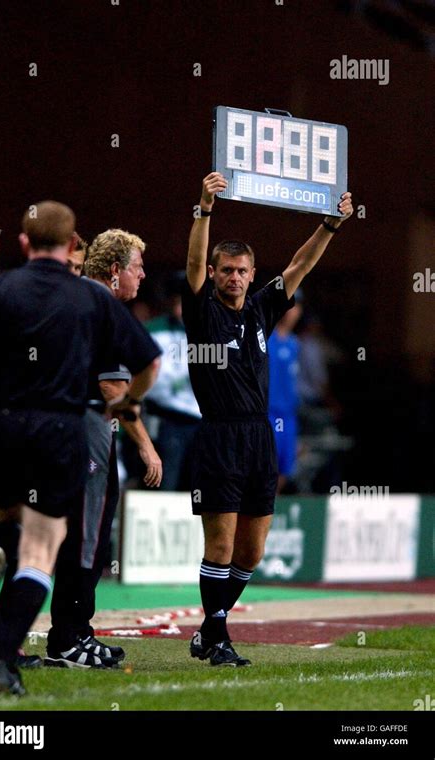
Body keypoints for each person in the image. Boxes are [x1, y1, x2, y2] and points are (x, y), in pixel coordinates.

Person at [0, 201, 158, 695]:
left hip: (2, 430)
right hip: (60, 428)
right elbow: (150, 362)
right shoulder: (90, 297)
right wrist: (126, 406)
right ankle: (3, 663)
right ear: (73, 246)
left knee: (10, 522)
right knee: (45, 548)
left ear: (24, 244)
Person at [182, 172, 353, 666]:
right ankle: (216, 639)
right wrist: (204, 207)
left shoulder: (260, 310)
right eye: (225, 270)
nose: (233, 277)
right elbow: (194, 258)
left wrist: (330, 224)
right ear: (214, 274)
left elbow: (300, 265)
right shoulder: (201, 314)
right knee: (220, 544)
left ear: (252, 274)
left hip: (258, 435)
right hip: (218, 434)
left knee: (251, 553)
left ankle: (209, 630)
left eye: (241, 270)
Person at [45, 228, 162, 668]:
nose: (143, 275)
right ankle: (70, 638)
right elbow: (113, 385)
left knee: (58, 536)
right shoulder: (101, 306)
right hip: (88, 429)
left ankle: (67, 633)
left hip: (51, 427)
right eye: (137, 267)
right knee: (87, 537)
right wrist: (147, 448)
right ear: (115, 271)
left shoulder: (68, 298)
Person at [145, 271, 201, 491]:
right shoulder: (154, 331)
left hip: (202, 422)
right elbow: (151, 380)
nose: (182, 309)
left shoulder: (210, 330)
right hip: (168, 420)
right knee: (166, 482)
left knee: (200, 487)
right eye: (178, 302)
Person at [267, 295, 303, 493]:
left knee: (285, 467)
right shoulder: (266, 340)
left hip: (289, 415)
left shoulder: (294, 344)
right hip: (268, 413)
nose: (292, 312)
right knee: (265, 465)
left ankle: (271, 507)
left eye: (296, 307)